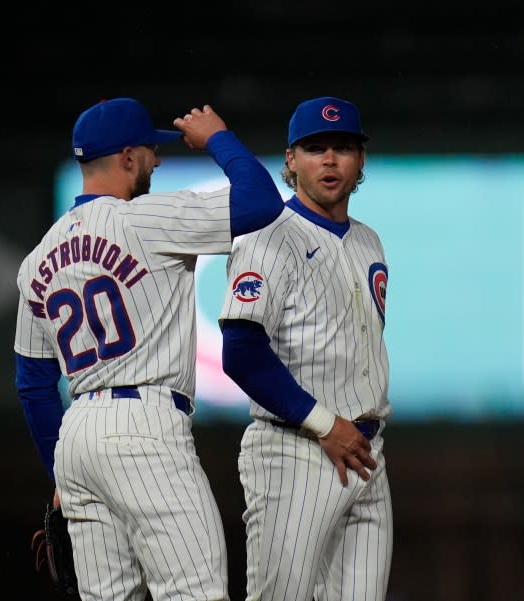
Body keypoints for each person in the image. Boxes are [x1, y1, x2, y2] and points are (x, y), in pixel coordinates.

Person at [13, 97, 284, 601]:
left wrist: (60, 477)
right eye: (150, 151)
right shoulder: (149, 219)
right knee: (195, 593)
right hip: (143, 429)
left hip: (77, 440)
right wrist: (217, 139)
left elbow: (33, 384)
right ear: (128, 156)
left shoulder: (37, 259)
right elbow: (260, 203)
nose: (157, 162)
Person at [219, 96, 392, 601]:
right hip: (296, 449)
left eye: (343, 147)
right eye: (315, 148)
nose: (330, 159)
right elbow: (241, 352)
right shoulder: (267, 237)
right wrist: (323, 423)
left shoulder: (369, 241)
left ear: (361, 159)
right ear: (291, 160)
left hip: (367, 451)